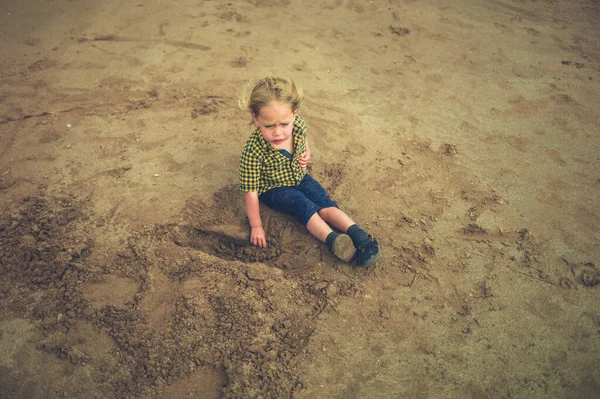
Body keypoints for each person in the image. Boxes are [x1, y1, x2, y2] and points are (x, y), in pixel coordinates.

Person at [238, 76, 380, 266]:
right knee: (302, 204)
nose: (278, 133)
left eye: (284, 124)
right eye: (269, 126)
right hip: (274, 188)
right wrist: (256, 225)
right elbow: (251, 192)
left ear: (294, 114)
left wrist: (306, 152)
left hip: (299, 175)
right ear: (256, 119)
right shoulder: (253, 151)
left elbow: (303, 139)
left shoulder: (298, 125)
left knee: (323, 201)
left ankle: (359, 236)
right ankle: (334, 240)